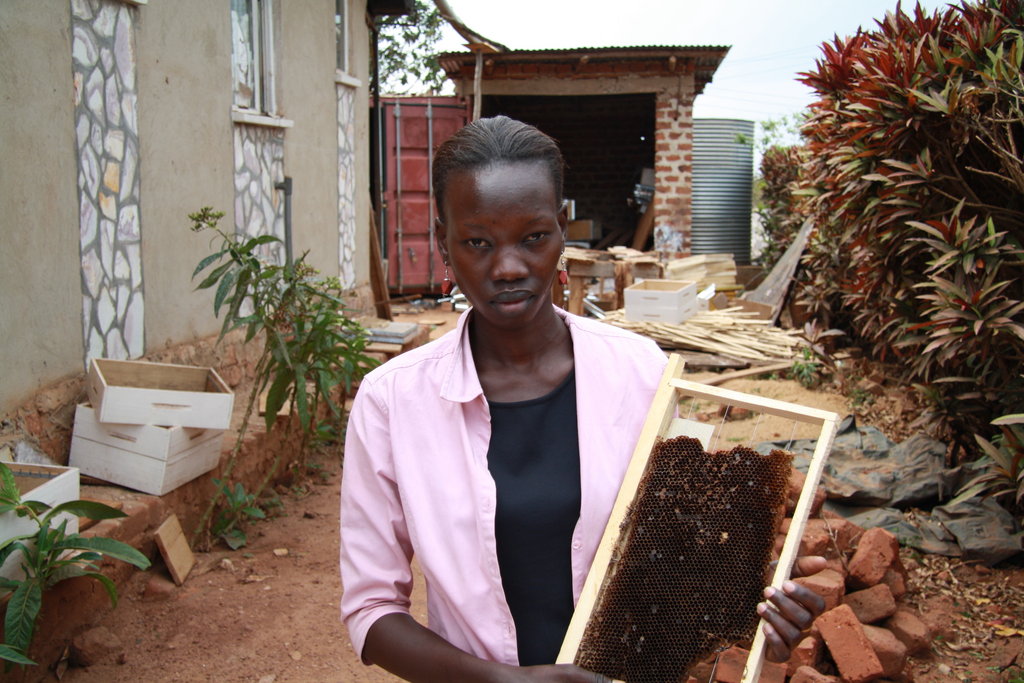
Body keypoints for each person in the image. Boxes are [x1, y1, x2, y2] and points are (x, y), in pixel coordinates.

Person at [339, 115, 825, 682]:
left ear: (562, 231)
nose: (509, 266)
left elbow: (679, 547)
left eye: (534, 237)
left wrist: (764, 600)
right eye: (477, 242)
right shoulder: (393, 402)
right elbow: (371, 612)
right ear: (444, 244)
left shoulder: (640, 372)